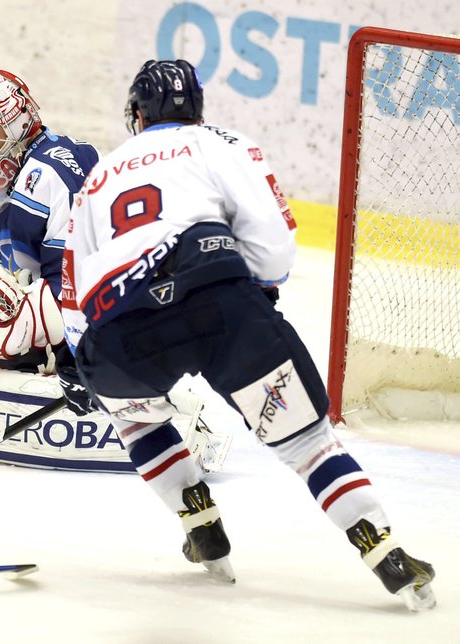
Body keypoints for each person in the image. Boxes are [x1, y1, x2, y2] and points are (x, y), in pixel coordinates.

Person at [60, 59, 435, 609]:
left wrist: (87, 368)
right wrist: (255, 287)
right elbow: (273, 248)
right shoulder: (224, 144)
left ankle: (200, 524)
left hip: (120, 332)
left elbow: (74, 293)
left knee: (137, 421)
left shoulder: (99, 176)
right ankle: (382, 549)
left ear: (137, 114)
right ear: (196, 108)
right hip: (218, 305)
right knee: (308, 444)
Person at [0, 68, 229, 473]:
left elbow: (77, 272)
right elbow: (6, 266)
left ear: (19, 121)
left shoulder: (48, 171)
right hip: (83, 304)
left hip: (101, 311)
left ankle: (53, 357)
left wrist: (74, 353)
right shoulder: (11, 174)